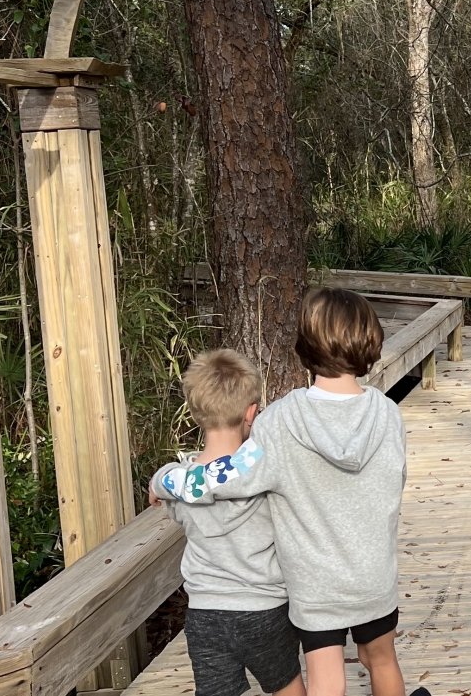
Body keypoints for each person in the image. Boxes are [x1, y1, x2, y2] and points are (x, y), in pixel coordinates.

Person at [153, 288, 414, 696]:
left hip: (314, 587)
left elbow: (223, 478)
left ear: (305, 345)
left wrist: (166, 480)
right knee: (381, 660)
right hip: (373, 576)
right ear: (370, 341)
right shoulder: (388, 414)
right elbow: (394, 481)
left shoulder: (279, 422)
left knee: (327, 678)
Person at [150, 349, 305, 696]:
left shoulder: (181, 483)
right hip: (264, 609)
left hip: (205, 614)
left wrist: (160, 478)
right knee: (288, 689)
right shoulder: (261, 468)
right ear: (251, 413)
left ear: (195, 413)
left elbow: (175, 499)